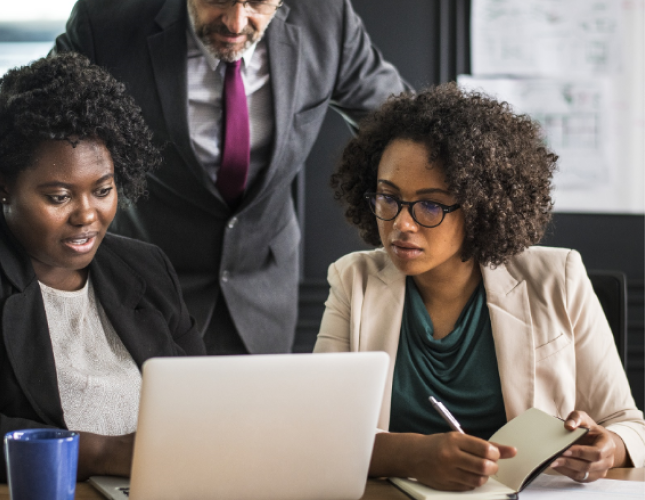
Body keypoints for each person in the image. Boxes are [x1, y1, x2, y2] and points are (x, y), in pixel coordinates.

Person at [0, 53, 205, 483]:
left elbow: (203, 409)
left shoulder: (144, 266)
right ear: (3, 187)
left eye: (103, 190)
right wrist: (108, 452)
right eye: (58, 197)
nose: (87, 215)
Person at [315, 84, 645, 491]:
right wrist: (413, 455)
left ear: (479, 207)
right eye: (388, 198)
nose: (402, 223)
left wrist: (607, 448)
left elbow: (628, 424)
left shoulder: (558, 277)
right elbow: (320, 435)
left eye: (430, 204)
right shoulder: (353, 280)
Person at [48, 0, 407, 354]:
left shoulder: (327, 19)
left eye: (257, 3)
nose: (236, 23)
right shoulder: (106, 20)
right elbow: (36, 123)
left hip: (263, 285)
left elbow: (404, 126)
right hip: (143, 282)